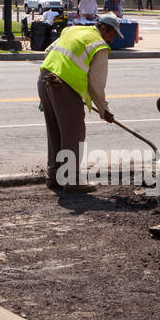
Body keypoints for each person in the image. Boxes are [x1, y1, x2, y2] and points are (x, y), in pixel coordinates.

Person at [37, 13, 124, 193]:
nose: (112, 38)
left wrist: (48, 91)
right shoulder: (99, 46)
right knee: (74, 133)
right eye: (112, 34)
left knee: (55, 130)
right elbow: (96, 84)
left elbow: (49, 52)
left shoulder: (73, 30)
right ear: (103, 28)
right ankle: (72, 181)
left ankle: (54, 176)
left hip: (45, 78)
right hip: (62, 86)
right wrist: (104, 110)